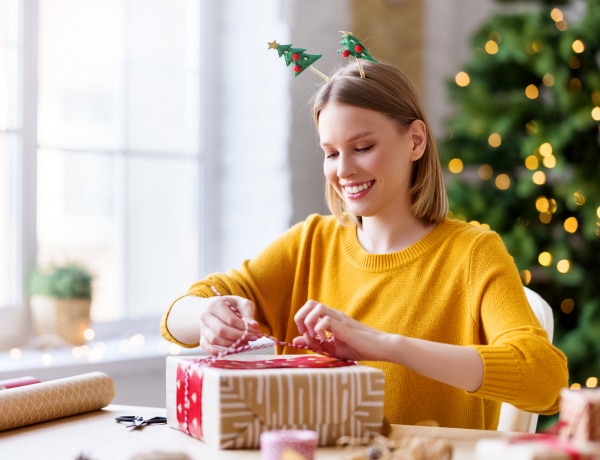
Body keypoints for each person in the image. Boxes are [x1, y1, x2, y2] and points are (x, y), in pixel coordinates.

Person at [161, 59, 568, 430]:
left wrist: (382, 345)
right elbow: (180, 311)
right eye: (331, 153)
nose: (343, 170)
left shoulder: (472, 253)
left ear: (416, 141)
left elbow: (545, 379)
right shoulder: (311, 243)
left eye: (363, 148)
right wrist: (206, 315)